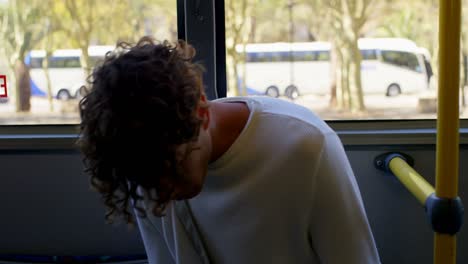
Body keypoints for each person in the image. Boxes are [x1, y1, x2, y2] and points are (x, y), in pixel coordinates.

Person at [78, 36, 381, 264]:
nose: (164, 190)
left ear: (203, 114)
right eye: (149, 180)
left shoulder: (305, 146)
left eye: (172, 167)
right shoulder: (143, 164)